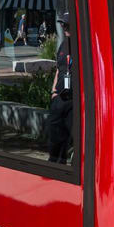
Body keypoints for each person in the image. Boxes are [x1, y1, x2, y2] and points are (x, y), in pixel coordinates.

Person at [47, 13, 73, 163]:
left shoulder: (83, 45)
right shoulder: (64, 44)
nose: (64, 27)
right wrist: (54, 92)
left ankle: (64, 163)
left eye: (67, 25)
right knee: (54, 130)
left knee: (70, 135)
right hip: (59, 96)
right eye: (63, 24)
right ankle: (53, 162)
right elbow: (59, 68)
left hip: (74, 99)